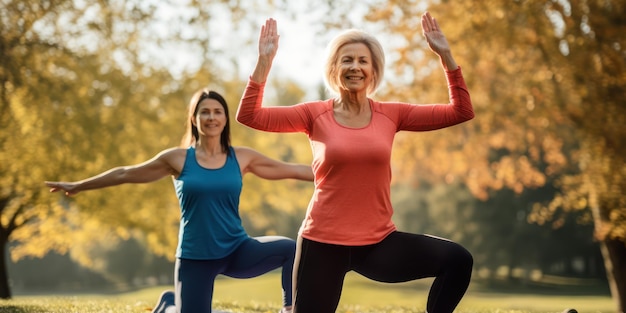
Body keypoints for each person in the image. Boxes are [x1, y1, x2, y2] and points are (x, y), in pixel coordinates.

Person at [236, 12, 474, 313]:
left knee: (458, 260)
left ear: (374, 70)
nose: (355, 67)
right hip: (322, 242)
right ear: (334, 68)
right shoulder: (315, 113)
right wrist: (264, 64)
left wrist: (446, 56)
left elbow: (461, 111)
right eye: (346, 60)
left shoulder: (392, 113)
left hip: (378, 242)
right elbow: (249, 116)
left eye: (363, 60)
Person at [45, 89, 313, 313]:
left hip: (236, 249)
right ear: (194, 119)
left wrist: (345, 171)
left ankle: (290, 310)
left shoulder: (241, 157)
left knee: (290, 249)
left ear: (225, 119)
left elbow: (294, 170)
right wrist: (79, 185)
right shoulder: (178, 159)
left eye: (217, 112)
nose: (211, 117)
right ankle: (170, 305)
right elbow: (127, 173)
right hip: (196, 257)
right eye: (204, 112)